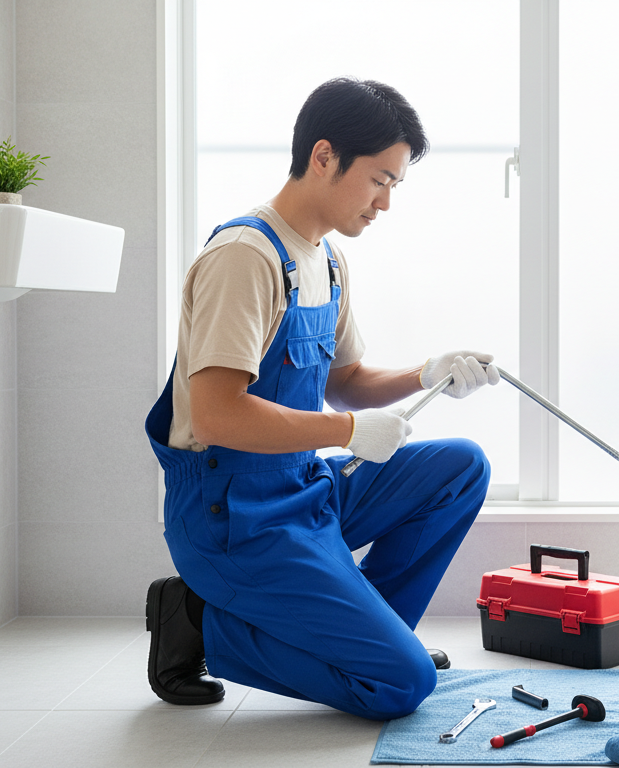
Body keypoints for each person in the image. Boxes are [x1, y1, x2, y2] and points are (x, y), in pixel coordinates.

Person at [142, 77, 499, 720]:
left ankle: (372, 635)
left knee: (461, 466)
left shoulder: (327, 260)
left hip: (302, 488)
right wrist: (348, 434)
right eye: (380, 180)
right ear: (325, 156)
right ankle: (197, 620)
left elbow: (346, 381)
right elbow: (218, 416)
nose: (385, 203)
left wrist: (428, 372)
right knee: (402, 686)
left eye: (394, 185)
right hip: (233, 515)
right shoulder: (245, 257)